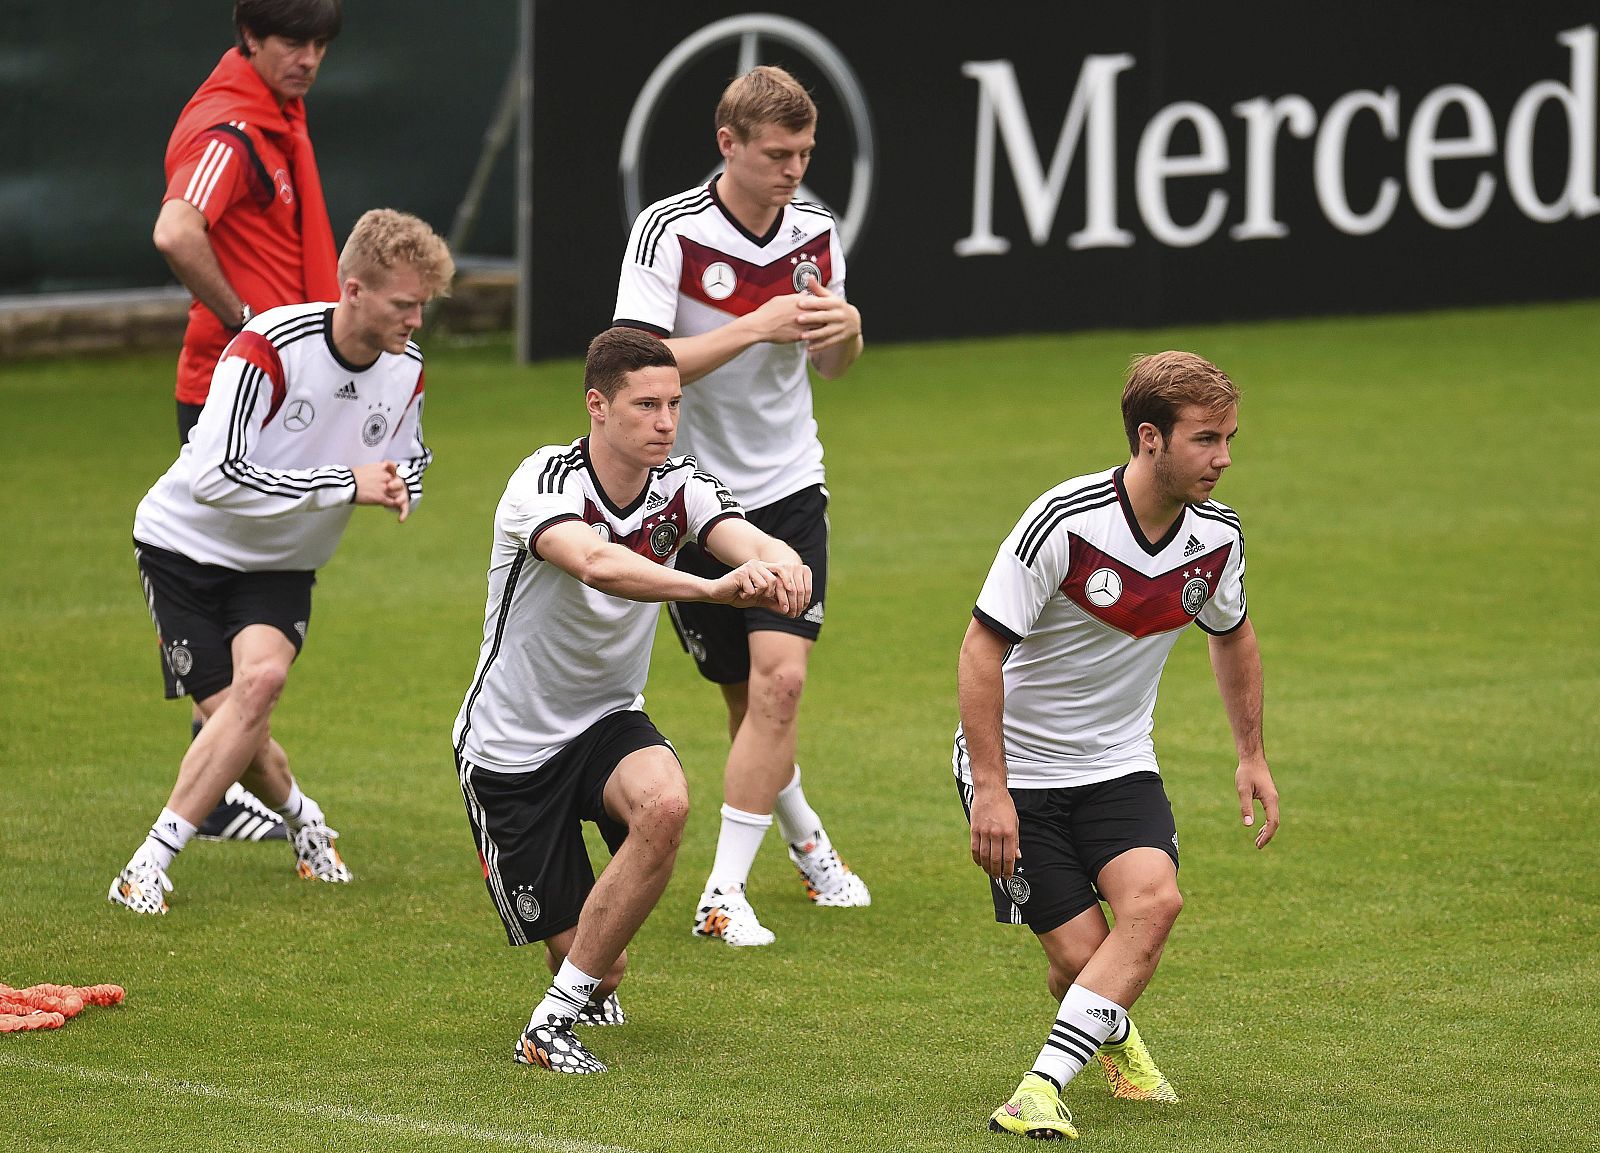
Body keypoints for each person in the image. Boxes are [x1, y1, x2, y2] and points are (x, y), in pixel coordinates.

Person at [452, 328, 811, 1074]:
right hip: (510, 748)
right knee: (604, 971)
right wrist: (708, 586)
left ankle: (546, 1028)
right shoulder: (542, 482)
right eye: (646, 405)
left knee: (666, 803)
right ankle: (584, 980)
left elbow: (737, 532)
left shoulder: (679, 484)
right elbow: (596, 562)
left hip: (606, 717)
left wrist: (783, 560)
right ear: (597, 405)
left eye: (674, 404)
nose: (665, 421)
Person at [955, 352, 1282, 1140]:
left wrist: (1251, 753)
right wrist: (992, 788)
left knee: (1154, 906)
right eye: (1207, 439)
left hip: (1118, 764)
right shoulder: (1063, 523)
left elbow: (1232, 637)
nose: (1225, 458)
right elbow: (978, 650)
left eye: (1230, 438)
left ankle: (1037, 1088)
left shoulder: (1218, 536)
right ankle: (1112, 1034)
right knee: (1084, 959)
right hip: (1020, 770)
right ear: (1150, 438)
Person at [110, 208, 455, 915]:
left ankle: (147, 864)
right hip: (183, 548)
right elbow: (215, 475)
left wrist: (399, 484)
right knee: (243, 719)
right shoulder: (269, 343)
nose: (415, 320)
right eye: (403, 304)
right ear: (352, 289)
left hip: (280, 563)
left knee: (258, 684)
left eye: (423, 304)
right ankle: (304, 819)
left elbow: (410, 455)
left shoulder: (407, 368)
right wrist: (344, 482)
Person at [612, 64, 869, 947]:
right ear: (729, 145)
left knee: (781, 681)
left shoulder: (817, 229)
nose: (793, 171)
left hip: (791, 486)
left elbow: (829, 366)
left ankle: (721, 892)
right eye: (776, 154)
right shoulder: (668, 230)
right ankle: (808, 840)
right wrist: (755, 325)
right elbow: (636, 369)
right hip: (689, 498)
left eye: (804, 154)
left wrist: (849, 335)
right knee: (745, 696)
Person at [153, 0, 345, 841]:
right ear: (249, 39)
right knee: (236, 578)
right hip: (232, 390)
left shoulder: (278, 111)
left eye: (318, 44)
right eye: (290, 43)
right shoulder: (231, 131)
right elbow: (175, 229)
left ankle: (223, 772)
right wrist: (247, 325)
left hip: (283, 387)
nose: (306, 58)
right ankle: (229, 785)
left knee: (254, 577)